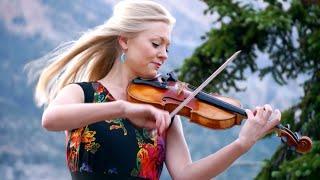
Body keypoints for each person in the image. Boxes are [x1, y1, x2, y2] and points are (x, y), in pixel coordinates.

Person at [30, 0, 281, 179]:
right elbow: (50, 119)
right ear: (124, 40)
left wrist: (242, 144)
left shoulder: (164, 111)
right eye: (155, 43)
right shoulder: (84, 94)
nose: (163, 55)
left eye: (167, 47)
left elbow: (186, 175)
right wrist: (123, 108)